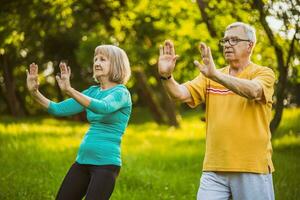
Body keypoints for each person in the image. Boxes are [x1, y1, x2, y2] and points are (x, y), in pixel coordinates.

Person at [158, 22, 275, 200]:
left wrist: (216, 76)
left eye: (234, 40)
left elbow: (253, 91)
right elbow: (180, 94)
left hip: (252, 166)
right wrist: (166, 76)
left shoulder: (263, 73)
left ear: (250, 45)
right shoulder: (210, 75)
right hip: (214, 168)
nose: (227, 44)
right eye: (225, 40)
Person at [26, 45, 132, 200]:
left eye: (103, 59)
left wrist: (70, 90)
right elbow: (58, 109)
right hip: (82, 161)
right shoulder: (92, 92)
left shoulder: (122, 93)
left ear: (116, 64)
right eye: (95, 59)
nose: (96, 62)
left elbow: (103, 107)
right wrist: (34, 92)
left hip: (106, 165)